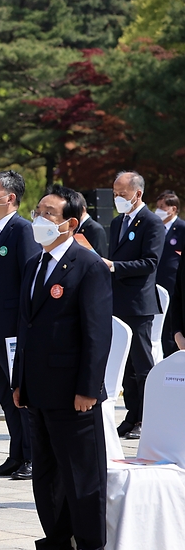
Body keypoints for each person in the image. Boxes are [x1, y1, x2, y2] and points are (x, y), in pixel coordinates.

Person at [11, 184, 112, 550]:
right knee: (47, 477)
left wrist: (88, 387)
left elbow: (96, 334)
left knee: (82, 476)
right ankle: (55, 549)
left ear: (70, 223)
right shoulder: (36, 264)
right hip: (37, 388)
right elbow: (26, 327)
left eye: (48, 213)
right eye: (38, 211)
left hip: (74, 392)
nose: (39, 218)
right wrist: (19, 381)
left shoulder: (87, 265)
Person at [0, 170, 42, 480]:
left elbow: (28, 282)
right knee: (5, 393)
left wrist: (24, 329)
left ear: (9, 197)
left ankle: (33, 456)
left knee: (22, 394)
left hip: (15, 329)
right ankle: (16, 453)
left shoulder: (22, 230)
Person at [104, 171, 164, 441]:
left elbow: (150, 262)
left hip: (138, 303)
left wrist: (115, 266)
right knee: (125, 365)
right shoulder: (118, 223)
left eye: (122, 194)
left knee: (142, 364)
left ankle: (149, 417)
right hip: (116, 301)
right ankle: (132, 415)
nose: (117, 198)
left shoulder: (152, 222)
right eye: (115, 193)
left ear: (137, 194)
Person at [155, 191, 185, 357]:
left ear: (173, 209)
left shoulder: (181, 228)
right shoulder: (157, 228)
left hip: (174, 285)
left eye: (162, 207)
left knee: (173, 327)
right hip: (157, 286)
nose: (158, 210)